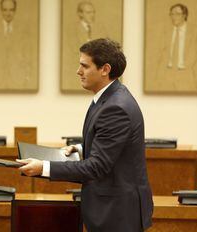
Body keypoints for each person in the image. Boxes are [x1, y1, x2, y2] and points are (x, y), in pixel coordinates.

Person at [18, 38, 154, 231]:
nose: (78, 71)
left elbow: (97, 166)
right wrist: (82, 149)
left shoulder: (116, 107)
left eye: (84, 66)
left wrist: (44, 167)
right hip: (113, 210)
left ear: (105, 69)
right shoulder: (107, 99)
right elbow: (112, 148)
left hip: (117, 214)